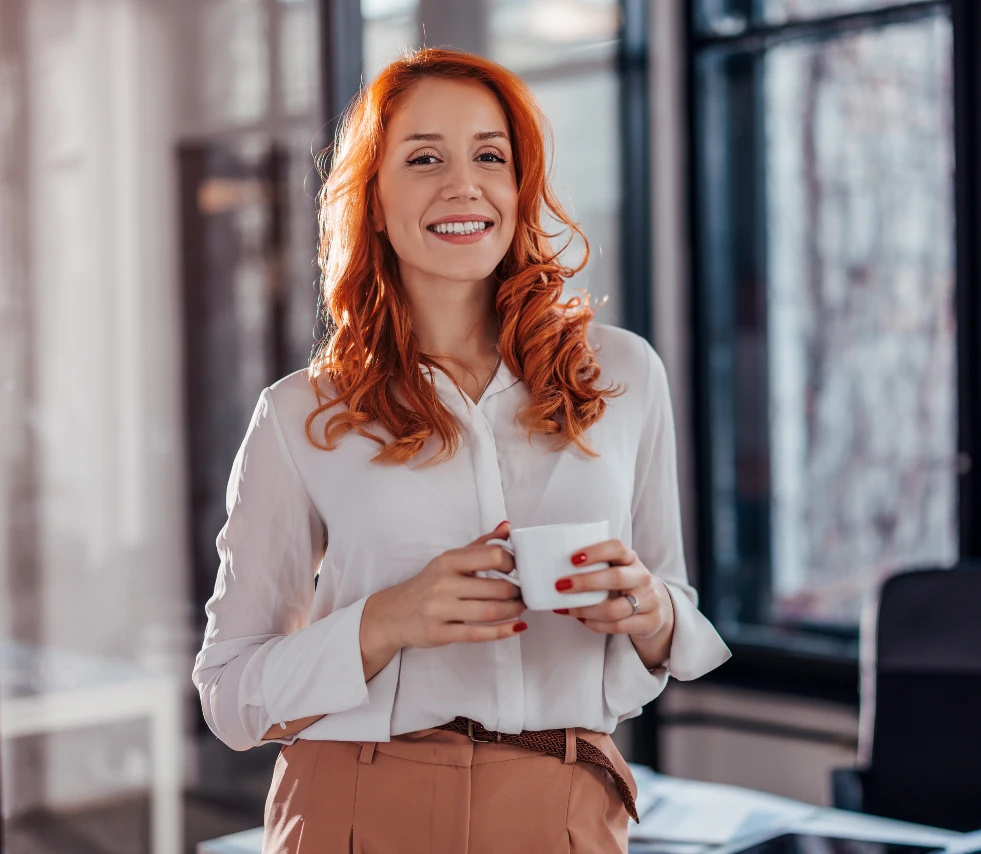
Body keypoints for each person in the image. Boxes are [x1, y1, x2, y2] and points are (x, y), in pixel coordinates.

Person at [191, 47, 732, 853]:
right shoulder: (300, 413)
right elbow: (230, 694)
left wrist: (649, 609)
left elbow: (674, 611)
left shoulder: (622, 375)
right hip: (357, 807)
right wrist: (386, 621)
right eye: (424, 159)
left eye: (489, 155)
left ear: (520, 187)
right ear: (373, 201)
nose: (463, 184)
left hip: (564, 807)